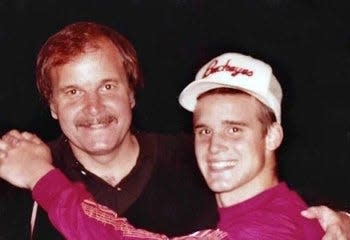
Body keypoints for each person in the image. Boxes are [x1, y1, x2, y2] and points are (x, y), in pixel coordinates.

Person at [1, 52, 350, 239]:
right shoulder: (194, 169)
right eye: (204, 130)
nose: (214, 147)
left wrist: (39, 177)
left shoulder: (268, 228)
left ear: (272, 136)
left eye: (234, 129)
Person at [0, 21, 218, 239]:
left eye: (107, 87)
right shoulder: (17, 178)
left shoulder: (204, 162)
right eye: (73, 92)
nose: (94, 107)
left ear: (131, 93)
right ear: (53, 106)